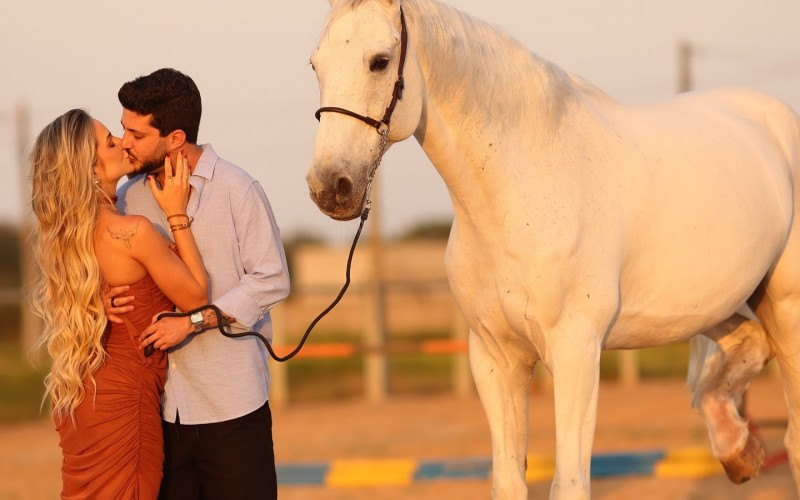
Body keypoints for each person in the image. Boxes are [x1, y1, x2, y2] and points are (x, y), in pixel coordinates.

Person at [107, 67, 290, 499]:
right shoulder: (127, 197)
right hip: (161, 410)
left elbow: (272, 279)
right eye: (122, 130)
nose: (125, 143)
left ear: (175, 139)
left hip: (233, 407)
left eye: (136, 133)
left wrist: (192, 322)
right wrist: (104, 299)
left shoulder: (237, 189)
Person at [30, 108, 209, 499]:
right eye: (110, 143)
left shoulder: (65, 240)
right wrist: (176, 214)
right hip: (124, 405)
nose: (124, 144)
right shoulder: (132, 232)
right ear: (91, 169)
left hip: (81, 398)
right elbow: (196, 296)